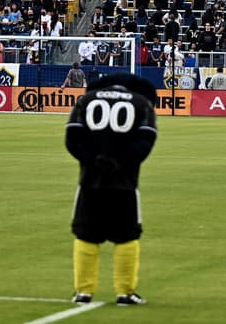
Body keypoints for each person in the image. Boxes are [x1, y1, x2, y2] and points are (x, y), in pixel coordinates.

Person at [66, 73, 158, 306]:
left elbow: (72, 139)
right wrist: (121, 163)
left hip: (90, 179)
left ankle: (83, 292)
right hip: (124, 182)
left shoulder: (85, 101)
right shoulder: (141, 103)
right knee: (127, 236)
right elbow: (145, 142)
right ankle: (125, 292)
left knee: (86, 234)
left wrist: (94, 160)